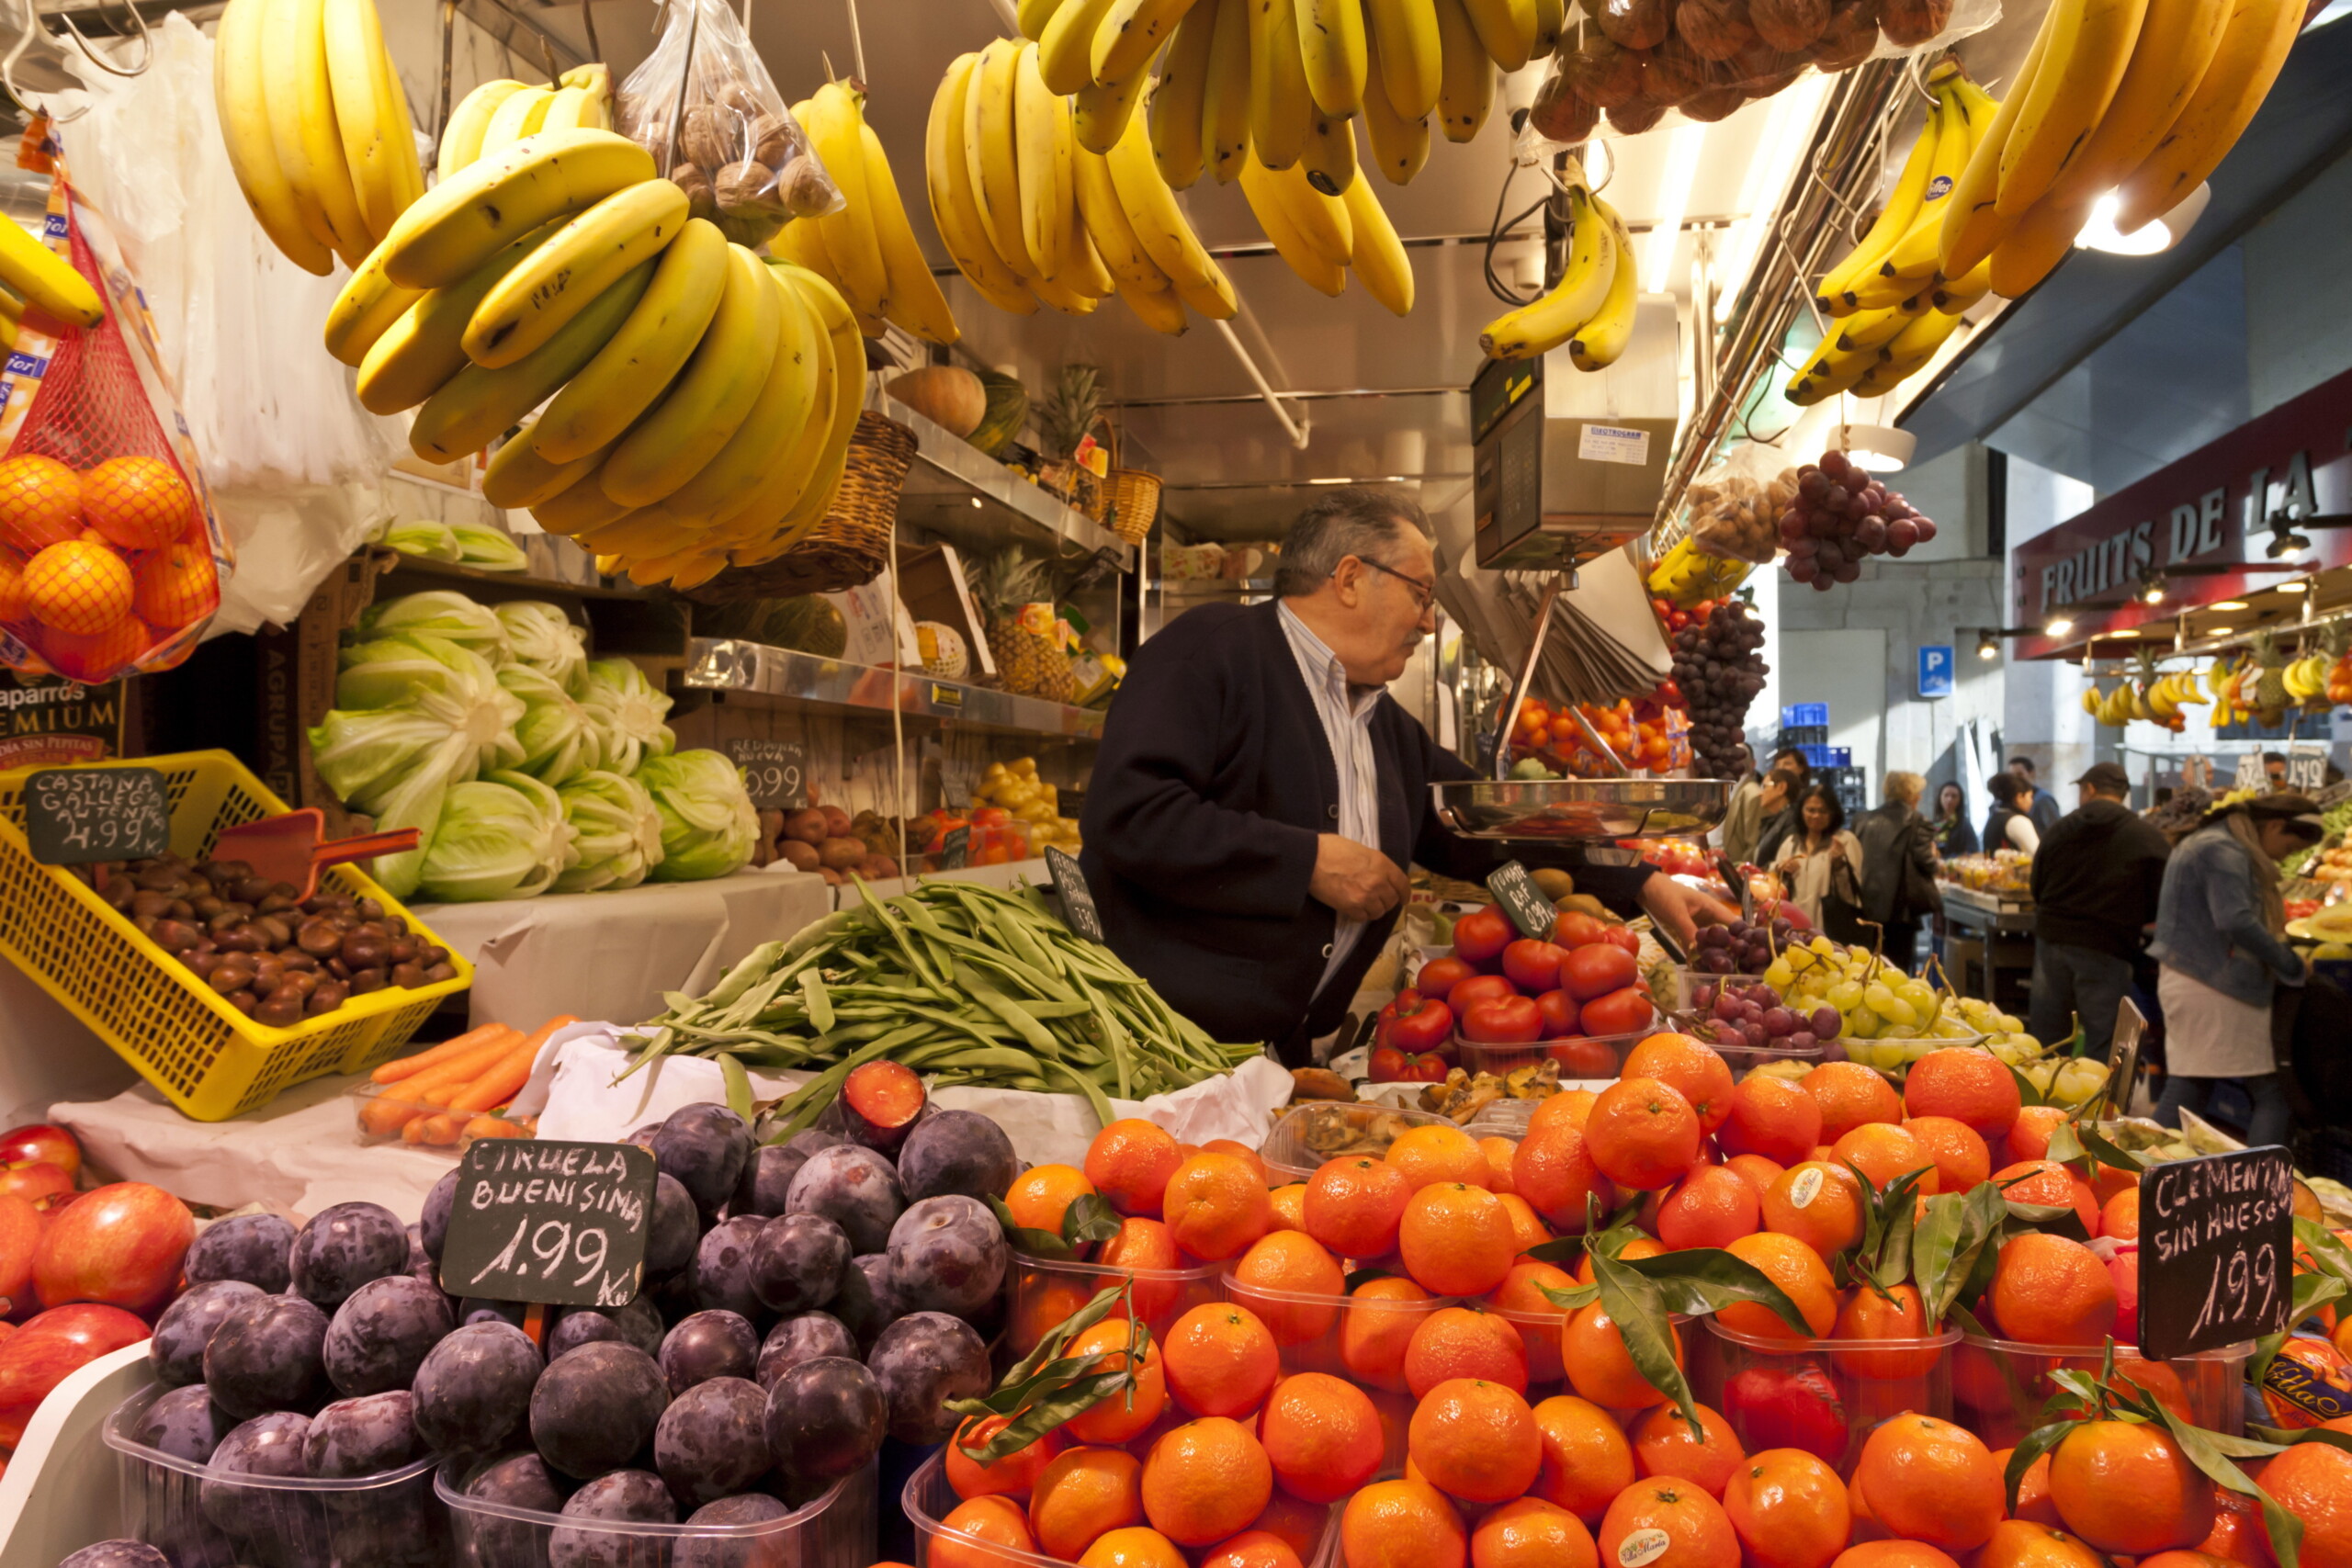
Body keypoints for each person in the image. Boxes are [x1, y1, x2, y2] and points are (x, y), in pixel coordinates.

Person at [1079, 487, 1720, 1066]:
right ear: (1350, 578)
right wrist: (1306, 861)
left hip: (1279, 1060)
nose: (1428, 621)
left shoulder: (1384, 725)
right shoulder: (1209, 651)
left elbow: (1486, 829)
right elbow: (1130, 813)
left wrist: (1641, 882)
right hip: (1164, 1056)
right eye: (1421, 594)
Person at [2147, 794, 2323, 1149]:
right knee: (2272, 1092)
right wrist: (2288, 962)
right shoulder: (2223, 849)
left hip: (2195, 979)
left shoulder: (2213, 841)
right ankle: (2263, 1177)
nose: (2283, 858)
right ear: (2274, 826)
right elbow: (2235, 918)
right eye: (2289, 847)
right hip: (2215, 985)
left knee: (2191, 1085)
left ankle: (2144, 1167)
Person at [2028, 762, 2172, 1058]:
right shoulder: (2146, 835)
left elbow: (2036, 884)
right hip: (2108, 945)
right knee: (2105, 1042)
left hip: (2052, 940)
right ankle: (2097, 1090)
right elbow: (2162, 897)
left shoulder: (2060, 829)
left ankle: (2042, 1089)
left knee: (2048, 1041)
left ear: (2089, 789)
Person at [1857, 772, 1940, 973]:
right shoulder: (1917, 821)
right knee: (1898, 969)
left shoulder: (1862, 819)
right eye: (1917, 793)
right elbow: (1926, 861)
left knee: (1869, 964)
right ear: (1910, 794)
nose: (1919, 797)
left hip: (1865, 903)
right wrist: (1935, 857)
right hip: (1900, 908)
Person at [1775, 784, 1865, 938]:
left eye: (1823, 811)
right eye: (1811, 810)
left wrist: (1839, 865)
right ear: (1801, 811)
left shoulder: (1845, 841)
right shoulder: (1791, 843)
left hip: (1831, 932)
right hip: (1793, 931)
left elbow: (1853, 896)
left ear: (1833, 813)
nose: (1816, 816)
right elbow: (1776, 889)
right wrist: (1781, 870)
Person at [1751, 767, 1805, 869]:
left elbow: (1785, 862)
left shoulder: (1792, 820)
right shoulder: (1778, 820)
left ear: (1781, 788)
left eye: (1764, 786)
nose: (1760, 793)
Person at [1984, 773, 2041, 855]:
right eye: (2030, 796)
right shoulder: (2017, 821)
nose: (2032, 801)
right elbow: (2038, 854)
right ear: (2019, 797)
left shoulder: (1995, 815)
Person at [2009, 756, 2063, 835]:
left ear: (2031, 773)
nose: (2015, 779)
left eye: (2020, 774)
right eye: (2012, 775)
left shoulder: (2044, 800)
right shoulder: (2009, 799)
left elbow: (2057, 831)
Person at [1929, 781, 1979, 857]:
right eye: (1946, 795)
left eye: (1954, 796)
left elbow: (1973, 850)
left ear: (1960, 800)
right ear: (1940, 797)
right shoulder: (1935, 823)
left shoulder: (1964, 824)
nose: (1949, 799)